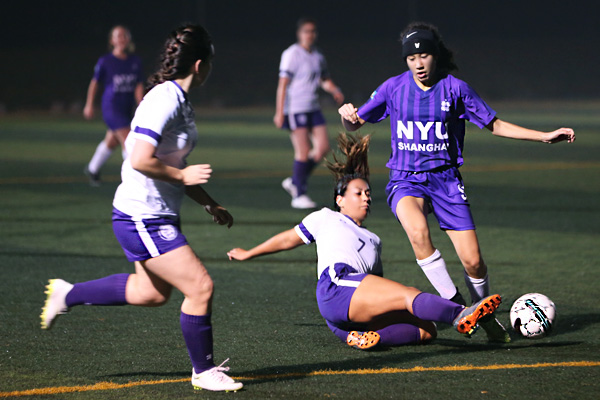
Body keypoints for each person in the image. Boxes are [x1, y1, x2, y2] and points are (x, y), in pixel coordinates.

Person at [337, 22, 576, 343]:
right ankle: (458, 306)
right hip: (406, 180)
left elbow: (495, 124)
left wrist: (544, 136)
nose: (418, 64)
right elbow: (354, 124)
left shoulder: (456, 89)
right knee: (417, 230)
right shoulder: (393, 88)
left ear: (436, 55)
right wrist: (346, 116)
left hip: (446, 182)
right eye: (411, 59)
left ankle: (483, 312)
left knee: (474, 262)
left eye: (424, 56)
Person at [41, 25, 243, 392]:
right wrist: (183, 174)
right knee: (200, 287)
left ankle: (66, 294)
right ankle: (204, 371)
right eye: (211, 62)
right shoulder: (164, 99)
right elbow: (139, 159)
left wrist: (209, 203)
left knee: (150, 293)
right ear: (199, 65)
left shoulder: (180, 101)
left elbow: (170, 164)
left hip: (157, 213)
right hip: (141, 216)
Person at [228, 133, 502, 350]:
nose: (366, 197)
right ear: (339, 200)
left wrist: (343, 330)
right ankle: (461, 314)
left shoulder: (373, 239)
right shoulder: (326, 217)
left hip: (348, 305)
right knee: (407, 294)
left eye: (368, 193)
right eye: (358, 193)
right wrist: (250, 253)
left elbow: (372, 290)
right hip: (335, 286)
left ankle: (366, 338)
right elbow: (288, 239)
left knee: (426, 329)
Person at [274, 17, 345, 209]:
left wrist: (334, 89)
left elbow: (323, 79)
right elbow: (283, 84)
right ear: (299, 33)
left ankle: (295, 180)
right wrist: (279, 112)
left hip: (313, 107)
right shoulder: (291, 54)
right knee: (303, 152)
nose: (310, 35)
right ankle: (299, 194)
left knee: (322, 148)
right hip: (296, 108)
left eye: (313, 31)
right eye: (306, 31)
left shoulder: (317, 55)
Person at [83, 25, 145, 186]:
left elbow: (138, 85)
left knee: (112, 141)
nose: (122, 39)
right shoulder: (105, 61)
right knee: (128, 140)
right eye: (118, 36)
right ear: (112, 40)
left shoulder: (135, 61)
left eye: (125, 35)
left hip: (127, 109)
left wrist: (141, 105)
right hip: (111, 108)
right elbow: (95, 83)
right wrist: (89, 104)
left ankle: (92, 168)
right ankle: (134, 179)